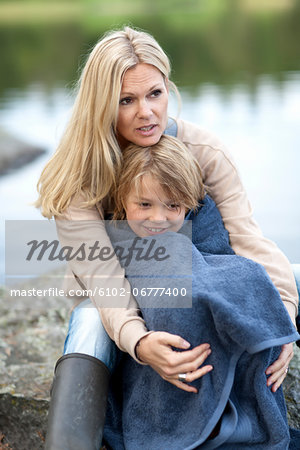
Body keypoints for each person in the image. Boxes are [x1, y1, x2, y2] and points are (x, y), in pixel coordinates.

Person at [34, 26, 299, 449]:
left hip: (196, 271)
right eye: (127, 100)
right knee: (88, 323)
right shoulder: (79, 177)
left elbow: (248, 240)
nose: (147, 113)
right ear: (102, 104)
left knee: (291, 276)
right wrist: (139, 342)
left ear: (168, 88)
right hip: (117, 292)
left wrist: (280, 319)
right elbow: (103, 278)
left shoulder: (203, 150)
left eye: (154, 94)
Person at [102, 135, 299, 449]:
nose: (158, 218)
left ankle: (228, 410)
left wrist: (280, 316)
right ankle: (190, 422)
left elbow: (227, 261)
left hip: (207, 315)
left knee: (248, 274)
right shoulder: (116, 240)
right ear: (122, 202)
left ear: (189, 204)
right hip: (156, 354)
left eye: (172, 206)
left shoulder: (204, 220)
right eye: (144, 205)